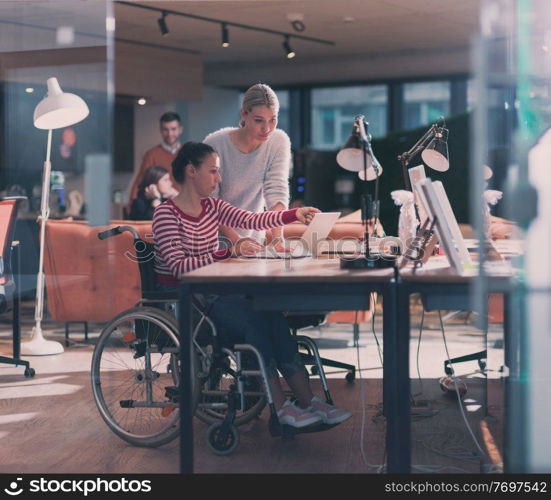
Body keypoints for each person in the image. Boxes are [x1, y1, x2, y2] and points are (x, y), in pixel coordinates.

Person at [152, 142, 351, 428]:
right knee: (255, 320)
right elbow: (179, 266)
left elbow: (252, 220)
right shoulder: (166, 215)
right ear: (191, 171)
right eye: (213, 172)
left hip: (217, 295)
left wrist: (293, 214)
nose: (218, 179)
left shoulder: (212, 206)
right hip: (191, 302)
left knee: (272, 315)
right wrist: (226, 252)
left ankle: (309, 402)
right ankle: (281, 408)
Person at [204, 83, 290, 253]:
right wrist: (237, 240)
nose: (267, 129)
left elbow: (276, 191)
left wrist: (278, 239)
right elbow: (209, 203)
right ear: (244, 114)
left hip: (254, 241)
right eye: (258, 120)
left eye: (273, 119)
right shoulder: (214, 144)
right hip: (215, 243)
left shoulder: (278, 141)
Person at [127, 112, 183, 211]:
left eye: (173, 129)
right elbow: (140, 182)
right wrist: (132, 203)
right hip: (161, 206)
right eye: (166, 130)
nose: (170, 134)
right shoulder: (152, 154)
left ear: (180, 130)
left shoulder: (187, 153)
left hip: (184, 205)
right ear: (161, 131)